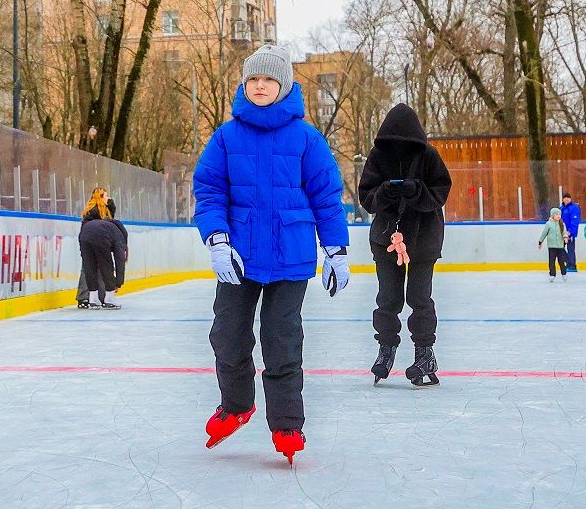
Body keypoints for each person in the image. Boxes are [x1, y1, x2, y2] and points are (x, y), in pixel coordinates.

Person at [193, 45, 351, 465]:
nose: (260, 86)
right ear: (245, 85)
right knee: (227, 335)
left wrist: (335, 249)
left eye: (268, 79)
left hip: (290, 257)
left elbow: (327, 197)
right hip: (239, 258)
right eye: (253, 79)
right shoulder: (226, 138)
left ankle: (286, 425)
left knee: (282, 343)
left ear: (284, 85)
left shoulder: (306, 138)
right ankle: (236, 405)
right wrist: (218, 240)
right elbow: (209, 192)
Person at [357, 103, 452, 386]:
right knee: (388, 299)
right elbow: (367, 197)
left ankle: (425, 353)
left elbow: (440, 192)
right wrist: (385, 193)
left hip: (423, 238)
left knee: (419, 299)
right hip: (386, 238)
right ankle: (386, 349)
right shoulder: (377, 156)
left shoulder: (428, 155)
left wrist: (417, 192)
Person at [78, 207, 124, 310]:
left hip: (84, 235)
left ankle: (93, 300)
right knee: (107, 266)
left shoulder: (107, 226)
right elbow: (119, 261)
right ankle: (110, 299)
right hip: (100, 237)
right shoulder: (119, 235)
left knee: (89, 266)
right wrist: (118, 282)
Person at [538, 208, 568, 281]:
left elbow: (564, 232)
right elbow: (544, 233)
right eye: (557, 214)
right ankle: (552, 274)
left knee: (561, 261)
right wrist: (540, 241)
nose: (558, 216)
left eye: (559, 214)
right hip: (551, 246)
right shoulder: (548, 224)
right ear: (552, 215)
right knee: (552, 261)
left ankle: (564, 273)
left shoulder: (562, 224)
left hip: (560, 246)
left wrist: (565, 237)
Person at [560, 193, 582, 273]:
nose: (566, 199)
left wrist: (570, 231)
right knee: (559, 248)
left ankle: (572, 265)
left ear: (570, 199)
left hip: (570, 232)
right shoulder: (561, 208)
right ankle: (569, 262)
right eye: (565, 198)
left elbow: (575, 221)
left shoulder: (574, 208)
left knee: (570, 248)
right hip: (562, 232)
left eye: (568, 198)